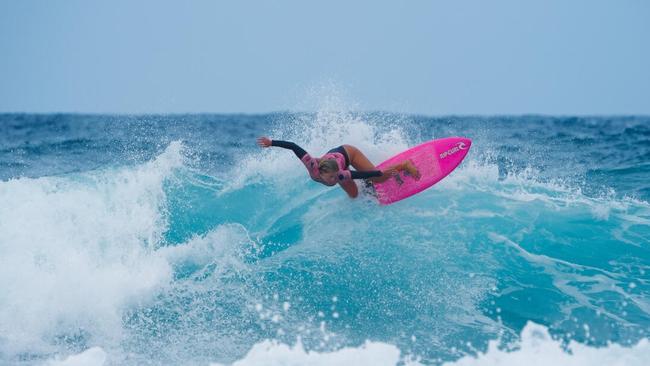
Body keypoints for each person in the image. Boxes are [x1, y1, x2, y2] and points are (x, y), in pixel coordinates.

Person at [256, 137, 420, 198]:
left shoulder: (341, 174)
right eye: (332, 178)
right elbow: (293, 146)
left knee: (377, 178)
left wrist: (381, 174)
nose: (335, 180)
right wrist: (272, 143)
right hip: (335, 161)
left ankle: (405, 165)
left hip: (349, 153)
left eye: (336, 177)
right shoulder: (311, 164)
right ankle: (370, 185)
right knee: (354, 195)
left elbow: (364, 174)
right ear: (321, 172)